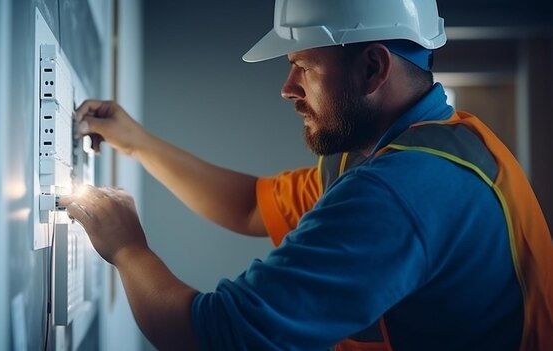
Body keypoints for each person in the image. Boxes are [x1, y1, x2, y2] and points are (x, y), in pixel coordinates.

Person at [60, 0, 553, 350]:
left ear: (372, 69)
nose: (287, 89)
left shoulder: (402, 191)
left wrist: (127, 249)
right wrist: (139, 142)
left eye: (304, 66)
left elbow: (215, 336)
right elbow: (251, 206)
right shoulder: (404, 149)